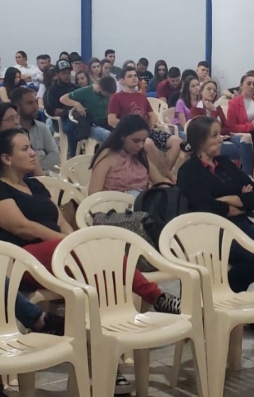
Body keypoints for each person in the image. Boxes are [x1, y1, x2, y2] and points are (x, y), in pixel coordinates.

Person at [0, 128, 182, 317]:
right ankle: (155, 297)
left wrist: (73, 237)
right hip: (22, 258)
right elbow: (23, 228)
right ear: (6, 158)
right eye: (24, 149)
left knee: (101, 252)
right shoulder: (2, 188)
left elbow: (60, 220)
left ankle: (114, 320)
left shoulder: (35, 185)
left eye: (30, 147)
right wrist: (69, 241)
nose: (33, 153)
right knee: (91, 250)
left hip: (58, 251)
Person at [177, 116, 254, 324]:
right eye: (214, 135)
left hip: (240, 225)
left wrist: (231, 200)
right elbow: (206, 207)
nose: (221, 139)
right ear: (199, 141)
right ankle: (216, 299)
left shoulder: (224, 164)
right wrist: (240, 200)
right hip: (212, 232)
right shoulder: (189, 171)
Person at [108, 66, 181, 178]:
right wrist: (130, 127)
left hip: (147, 130)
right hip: (130, 134)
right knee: (147, 143)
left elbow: (152, 115)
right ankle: (167, 176)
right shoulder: (117, 97)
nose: (134, 78)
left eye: (135, 76)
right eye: (130, 76)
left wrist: (151, 124)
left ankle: (163, 174)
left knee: (177, 141)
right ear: (122, 80)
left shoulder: (141, 96)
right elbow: (111, 120)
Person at [89, 115, 171, 196]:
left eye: (144, 140)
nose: (140, 145)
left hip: (140, 204)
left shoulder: (140, 156)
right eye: (136, 141)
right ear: (122, 136)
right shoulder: (108, 155)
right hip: (114, 205)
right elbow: (93, 194)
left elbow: (159, 181)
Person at [191, 80, 254, 176]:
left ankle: (247, 175)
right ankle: (245, 176)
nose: (212, 92)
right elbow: (205, 131)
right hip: (210, 141)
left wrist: (220, 134)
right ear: (201, 91)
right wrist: (213, 112)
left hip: (225, 136)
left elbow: (227, 127)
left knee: (247, 138)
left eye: (214, 90)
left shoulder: (217, 107)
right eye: (209, 89)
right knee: (246, 150)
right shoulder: (196, 109)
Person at [11, 88, 59, 174]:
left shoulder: (42, 127)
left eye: (36, 102)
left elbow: (55, 155)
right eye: (30, 103)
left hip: (43, 174)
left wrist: (37, 168)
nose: (36, 107)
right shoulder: (11, 131)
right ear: (17, 107)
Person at [60, 75, 116, 143]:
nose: (109, 97)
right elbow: (63, 99)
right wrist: (77, 104)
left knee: (122, 135)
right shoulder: (85, 91)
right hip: (91, 124)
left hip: (105, 122)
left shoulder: (109, 94)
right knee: (107, 135)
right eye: (107, 94)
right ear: (99, 87)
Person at [45, 60, 78, 158]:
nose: (67, 76)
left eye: (68, 73)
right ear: (57, 74)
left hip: (75, 117)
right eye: (63, 73)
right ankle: (72, 156)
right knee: (75, 126)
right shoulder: (51, 90)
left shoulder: (74, 88)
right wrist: (67, 111)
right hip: (60, 123)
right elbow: (51, 110)